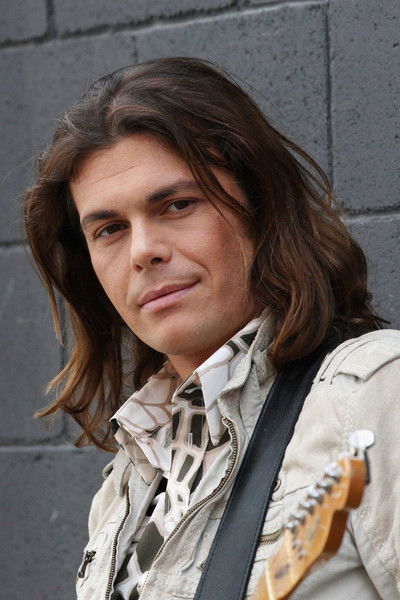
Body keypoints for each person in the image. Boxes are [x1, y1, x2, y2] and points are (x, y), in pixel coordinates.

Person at [24, 57, 400, 599]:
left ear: (261, 207)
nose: (143, 250)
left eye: (177, 205)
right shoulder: (131, 479)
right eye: (109, 229)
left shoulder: (371, 399)